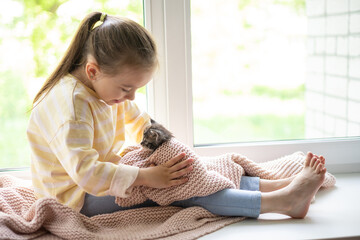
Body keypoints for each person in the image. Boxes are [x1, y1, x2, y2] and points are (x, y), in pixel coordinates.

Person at [27, 12, 327, 219]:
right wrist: (149, 177)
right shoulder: (72, 106)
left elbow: (139, 121)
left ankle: (270, 186)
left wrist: (172, 150)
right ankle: (280, 202)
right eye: (127, 88)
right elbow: (88, 175)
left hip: (103, 177)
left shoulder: (104, 90)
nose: (130, 97)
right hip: (75, 199)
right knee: (176, 185)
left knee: (185, 169)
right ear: (93, 71)